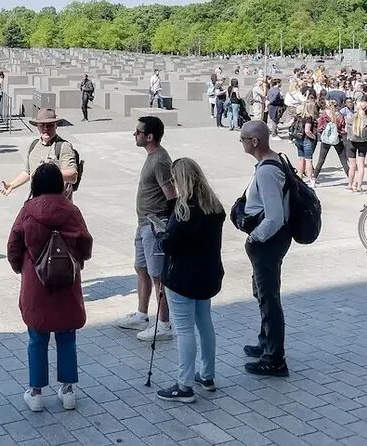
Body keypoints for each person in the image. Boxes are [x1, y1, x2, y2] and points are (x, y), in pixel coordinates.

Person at [7, 163, 93, 412]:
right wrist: (77, 261)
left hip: (36, 281)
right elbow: (85, 243)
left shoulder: (27, 210)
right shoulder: (71, 210)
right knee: (67, 335)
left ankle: (35, 392)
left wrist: (20, 267)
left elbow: (13, 244)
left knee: (37, 336)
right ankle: (68, 390)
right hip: (66, 278)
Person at [156, 158, 224, 403]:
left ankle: (184, 385)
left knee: (184, 330)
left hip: (182, 278)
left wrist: (160, 234)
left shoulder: (183, 211)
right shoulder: (214, 207)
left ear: (181, 180)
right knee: (205, 324)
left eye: (174, 179)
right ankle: (207, 375)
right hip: (208, 275)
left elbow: (169, 244)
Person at [239, 121, 291, 376]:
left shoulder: (267, 172)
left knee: (269, 298)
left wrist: (254, 238)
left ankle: (274, 359)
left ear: (255, 141)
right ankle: (265, 342)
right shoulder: (269, 163)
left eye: (243, 139)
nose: (241, 143)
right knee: (262, 293)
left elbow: (275, 217)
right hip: (269, 241)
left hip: (268, 242)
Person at [117, 116, 176, 341]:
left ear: (149, 136)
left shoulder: (160, 160)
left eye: (138, 132)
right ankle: (142, 315)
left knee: (157, 275)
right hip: (143, 223)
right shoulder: (152, 157)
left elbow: (171, 195)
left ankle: (163, 324)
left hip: (155, 224)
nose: (135, 135)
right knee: (141, 268)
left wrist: (169, 227)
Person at [0, 108, 77, 199]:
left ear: (56, 126)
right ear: (37, 126)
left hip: (57, 203)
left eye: (50, 125)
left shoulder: (63, 146)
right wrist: (11, 185)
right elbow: (28, 172)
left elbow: (73, 177)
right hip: (37, 201)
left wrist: (48, 173)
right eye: (42, 125)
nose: (46, 128)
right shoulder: (34, 145)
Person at [314, 99, 350, 181]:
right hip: (337, 139)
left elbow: (319, 127)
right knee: (343, 160)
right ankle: (350, 178)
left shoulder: (324, 115)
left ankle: (314, 179)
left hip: (326, 139)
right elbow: (343, 128)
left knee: (321, 160)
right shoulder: (339, 115)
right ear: (337, 106)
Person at [293, 101, 318, 186]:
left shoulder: (298, 116)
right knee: (308, 160)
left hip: (298, 139)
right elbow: (307, 131)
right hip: (306, 139)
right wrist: (313, 137)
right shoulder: (308, 118)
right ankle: (311, 179)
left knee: (301, 158)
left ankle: (299, 176)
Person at [347, 100, 367, 192]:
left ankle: (350, 185)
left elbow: (347, 131)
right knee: (361, 165)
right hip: (363, 143)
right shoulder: (365, 119)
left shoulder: (350, 118)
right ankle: (359, 186)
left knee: (352, 166)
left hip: (352, 142)